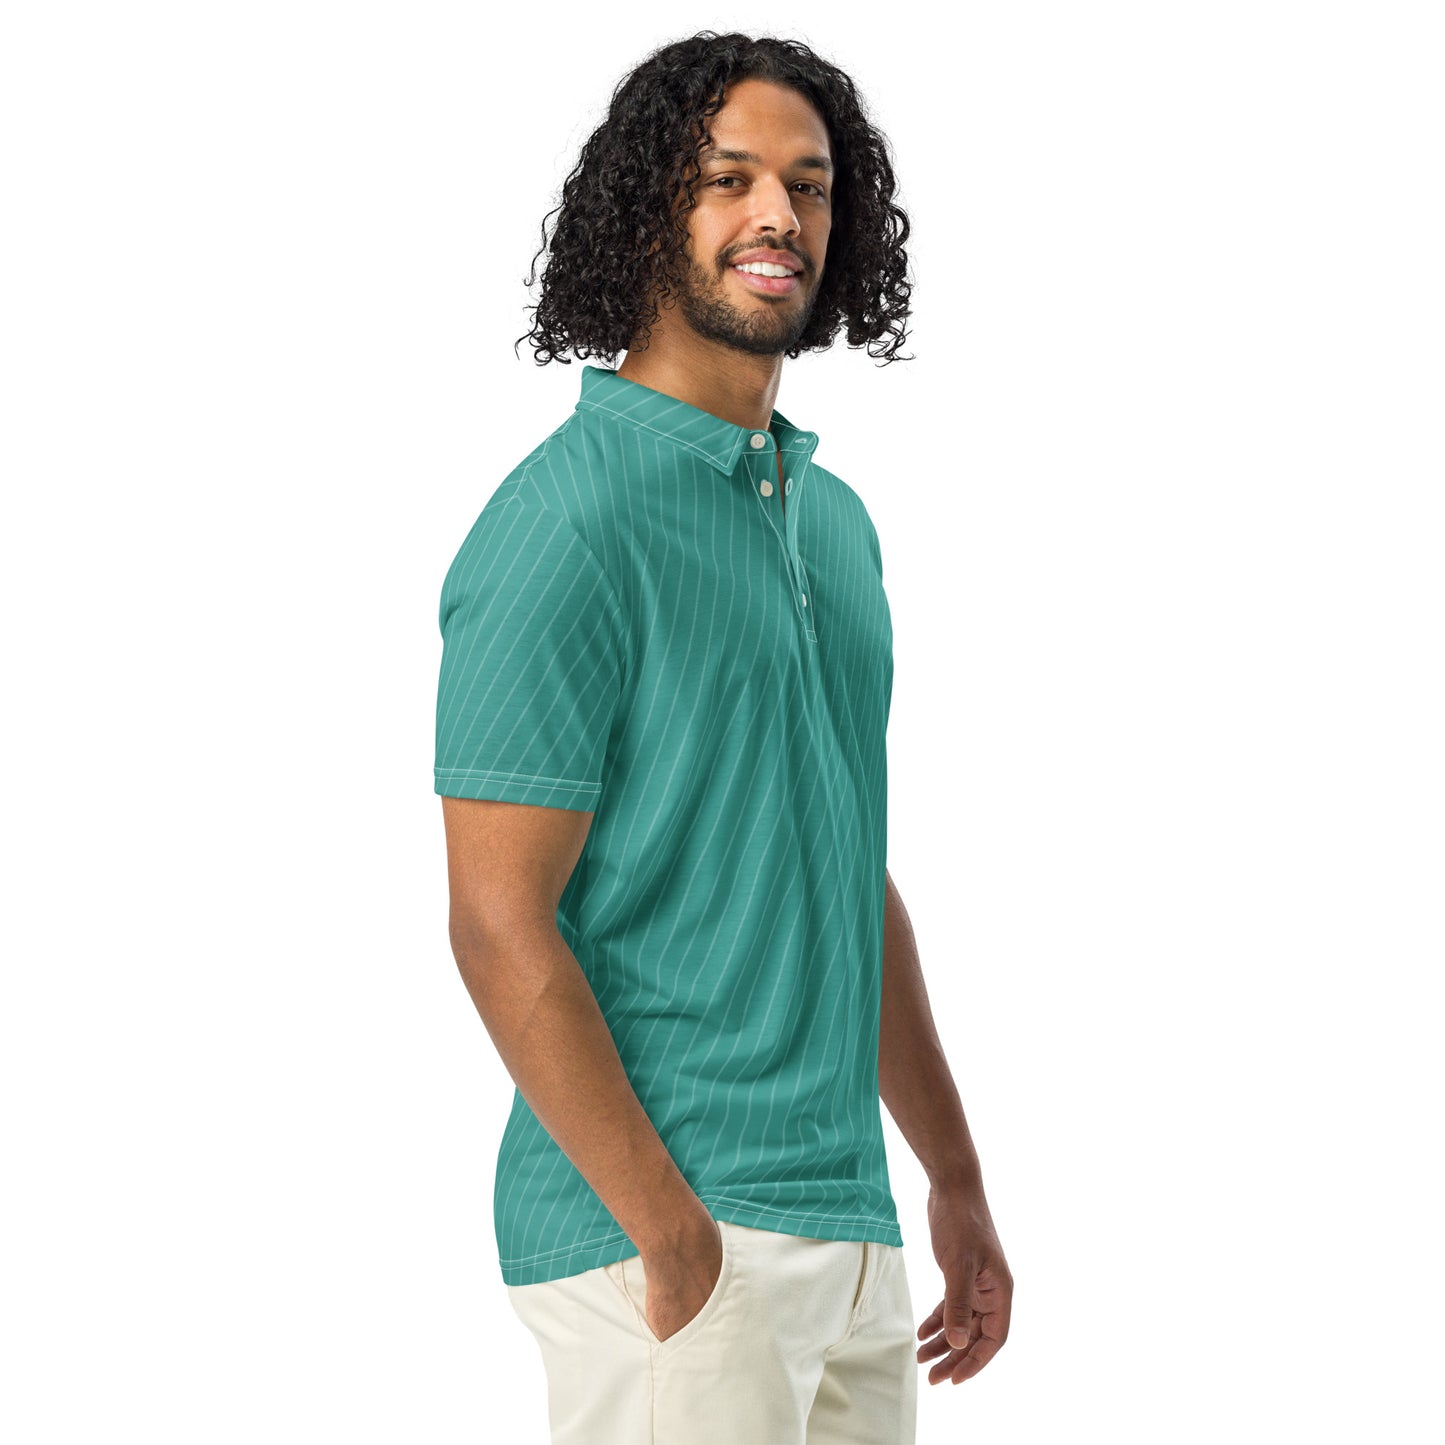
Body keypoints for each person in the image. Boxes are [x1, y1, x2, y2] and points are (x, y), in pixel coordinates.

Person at [434, 30, 1012, 1444]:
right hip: (670, 1236)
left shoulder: (833, 521)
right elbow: (496, 922)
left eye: (808, 185)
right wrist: (672, 1236)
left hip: (850, 1231)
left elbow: (844, 870)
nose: (778, 216)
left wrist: (949, 1176)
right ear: (647, 210)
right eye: (727, 179)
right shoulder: (565, 520)